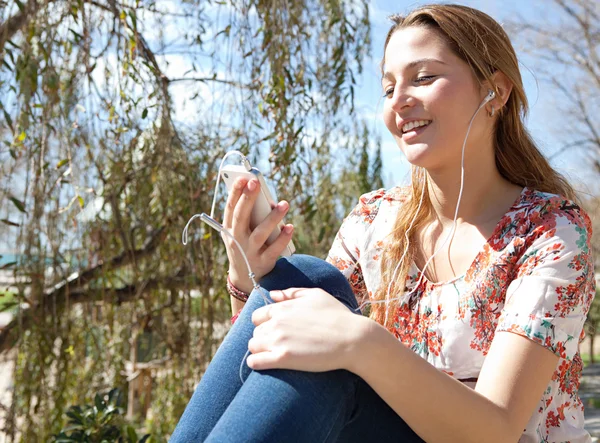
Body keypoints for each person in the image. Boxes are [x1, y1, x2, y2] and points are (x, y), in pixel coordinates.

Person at [171, 4, 595, 442]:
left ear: (496, 91)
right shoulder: (375, 220)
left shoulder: (549, 231)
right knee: (308, 284)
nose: (399, 100)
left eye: (424, 78)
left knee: (335, 345)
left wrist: (362, 343)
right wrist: (247, 274)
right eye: (389, 87)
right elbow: (285, 353)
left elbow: (497, 429)